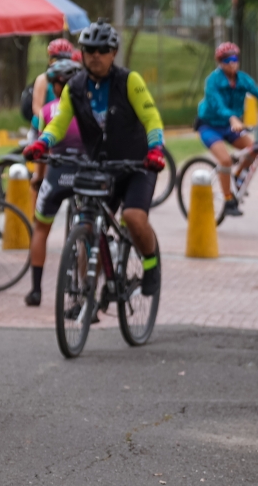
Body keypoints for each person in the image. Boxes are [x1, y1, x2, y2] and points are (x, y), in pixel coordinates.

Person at [23, 19, 165, 298]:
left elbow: (151, 117)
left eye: (102, 50)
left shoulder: (129, 81)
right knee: (88, 227)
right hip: (101, 165)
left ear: (114, 53)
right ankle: (88, 295)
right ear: (83, 53)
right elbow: (59, 122)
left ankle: (151, 265)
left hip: (137, 164)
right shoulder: (75, 86)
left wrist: (156, 149)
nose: (96, 56)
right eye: (90, 50)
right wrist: (42, 143)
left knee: (133, 217)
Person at [24, 58, 82, 307]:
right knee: (88, 229)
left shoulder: (47, 111)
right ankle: (85, 293)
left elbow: (41, 152)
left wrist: (38, 178)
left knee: (41, 229)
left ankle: (36, 291)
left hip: (57, 174)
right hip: (84, 174)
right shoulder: (89, 107)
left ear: (57, 86)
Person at [195, 42, 258, 216]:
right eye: (227, 60)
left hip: (231, 126)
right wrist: (232, 118)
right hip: (209, 125)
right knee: (225, 160)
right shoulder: (212, 81)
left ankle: (237, 175)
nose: (232, 62)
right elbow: (217, 105)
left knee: (255, 148)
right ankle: (228, 200)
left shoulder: (243, 79)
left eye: (235, 58)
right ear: (220, 62)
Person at [29, 38, 76, 132]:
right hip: (43, 126)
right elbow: (37, 108)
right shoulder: (43, 79)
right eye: (55, 60)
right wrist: (52, 120)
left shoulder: (75, 78)